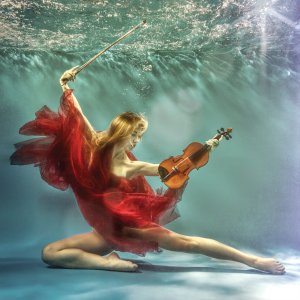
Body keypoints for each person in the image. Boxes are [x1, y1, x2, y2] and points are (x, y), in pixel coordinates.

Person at [10, 67, 285, 274]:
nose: (137, 141)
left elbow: (172, 169)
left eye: (140, 136)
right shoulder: (94, 144)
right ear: (122, 133)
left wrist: (206, 148)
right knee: (50, 253)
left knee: (187, 244)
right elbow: (77, 114)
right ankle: (109, 264)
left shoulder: (132, 166)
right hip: (105, 233)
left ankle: (253, 261)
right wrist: (65, 85)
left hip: (132, 229)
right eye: (135, 136)